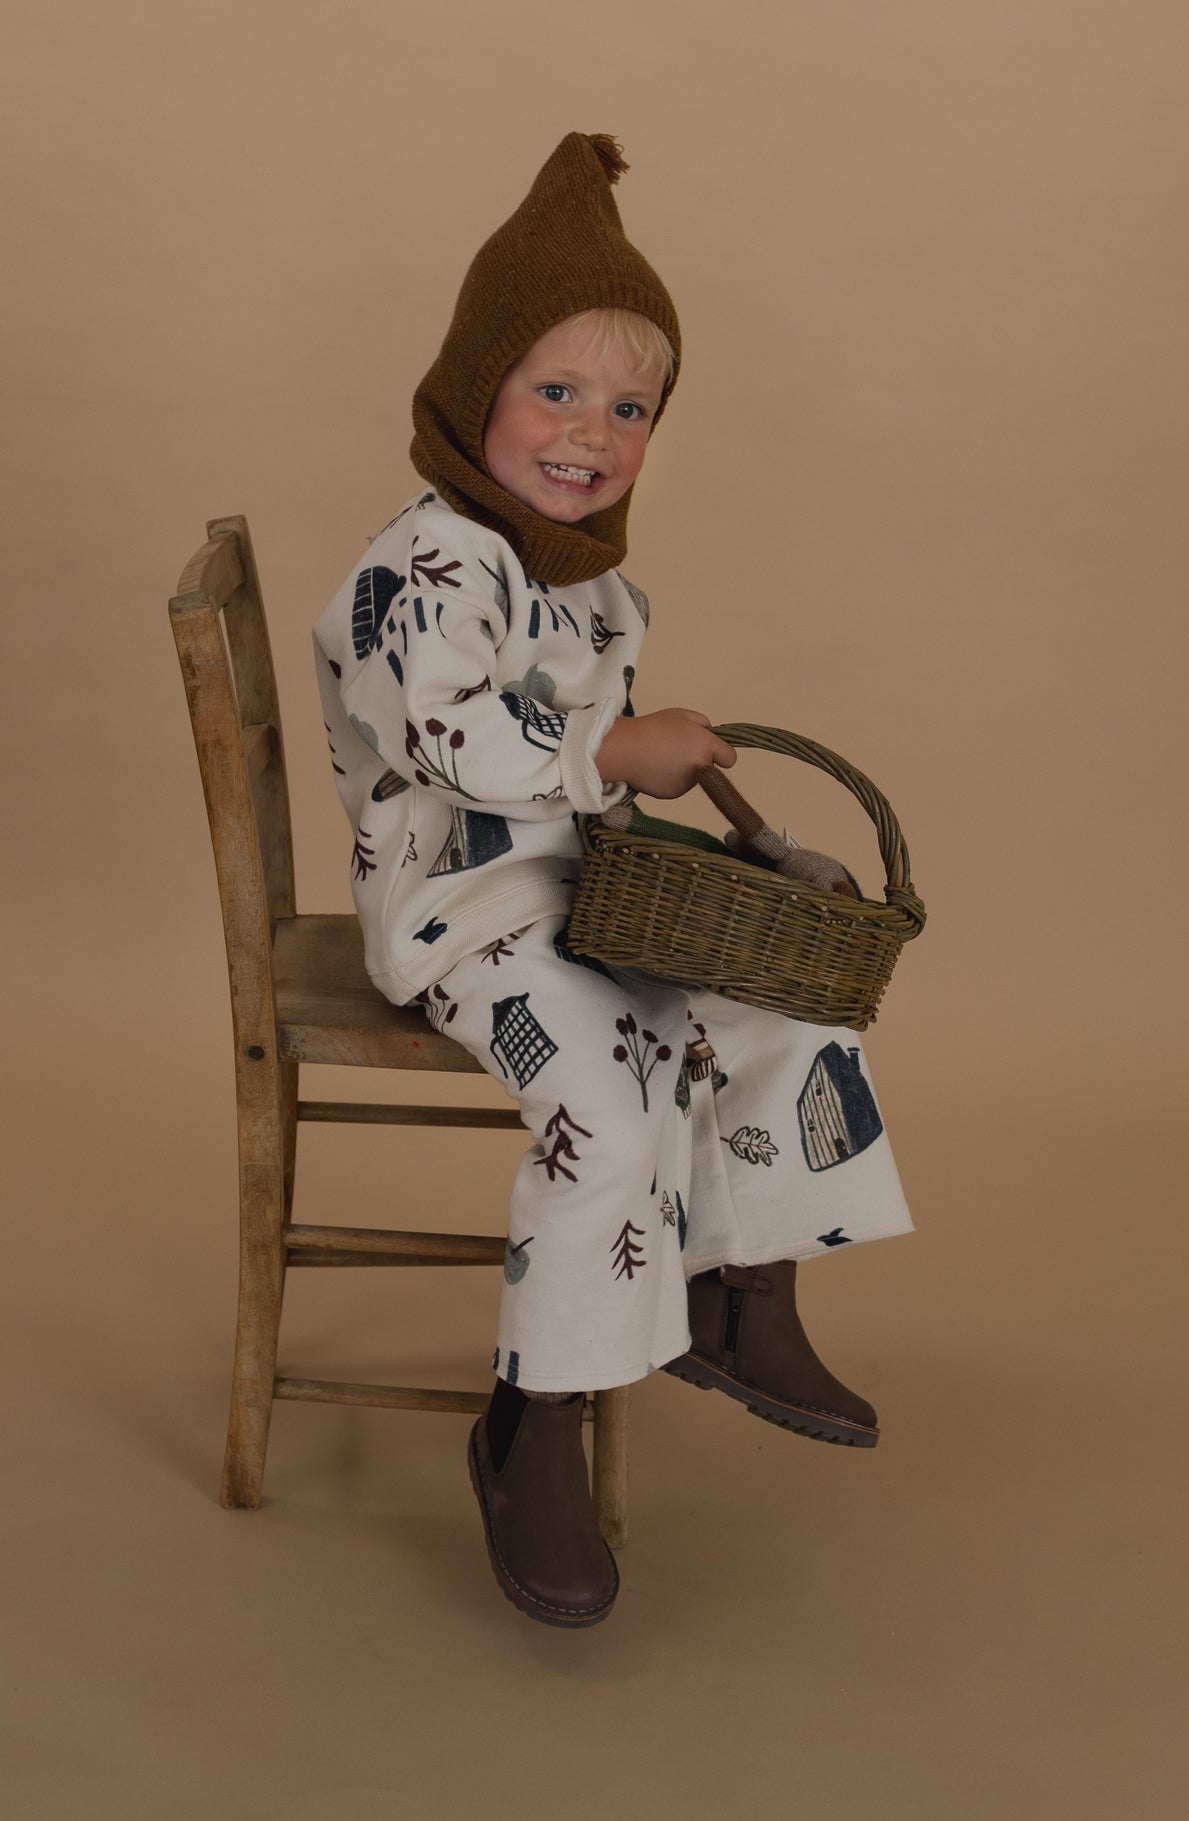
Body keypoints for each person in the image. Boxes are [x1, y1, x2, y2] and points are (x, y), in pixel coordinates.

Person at [313, 132, 912, 1628]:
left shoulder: (586, 574)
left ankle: (739, 1287)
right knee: (603, 1085)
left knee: (787, 994)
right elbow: (453, 736)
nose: (589, 433)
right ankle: (538, 1417)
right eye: (553, 391)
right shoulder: (426, 565)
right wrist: (606, 748)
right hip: (463, 911)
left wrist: (746, 837)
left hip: (581, 883)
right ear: (474, 392)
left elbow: (605, 762)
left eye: (629, 406)